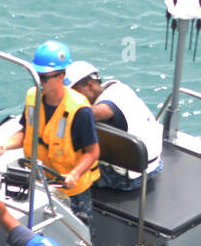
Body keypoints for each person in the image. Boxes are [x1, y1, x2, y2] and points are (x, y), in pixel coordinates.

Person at [0, 39, 100, 225]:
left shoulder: (79, 110)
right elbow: (26, 134)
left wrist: (75, 174)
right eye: (36, 76)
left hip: (71, 190)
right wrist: (4, 145)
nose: (38, 81)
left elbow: (92, 152)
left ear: (61, 77)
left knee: (78, 234)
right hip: (38, 183)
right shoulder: (32, 97)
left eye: (43, 78)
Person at [63, 60, 162, 191]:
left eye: (73, 94)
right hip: (153, 165)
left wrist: (58, 105)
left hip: (128, 178)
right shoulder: (118, 88)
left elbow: (92, 113)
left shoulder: (105, 107)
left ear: (90, 85)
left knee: (63, 169)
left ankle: (80, 209)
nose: (71, 99)